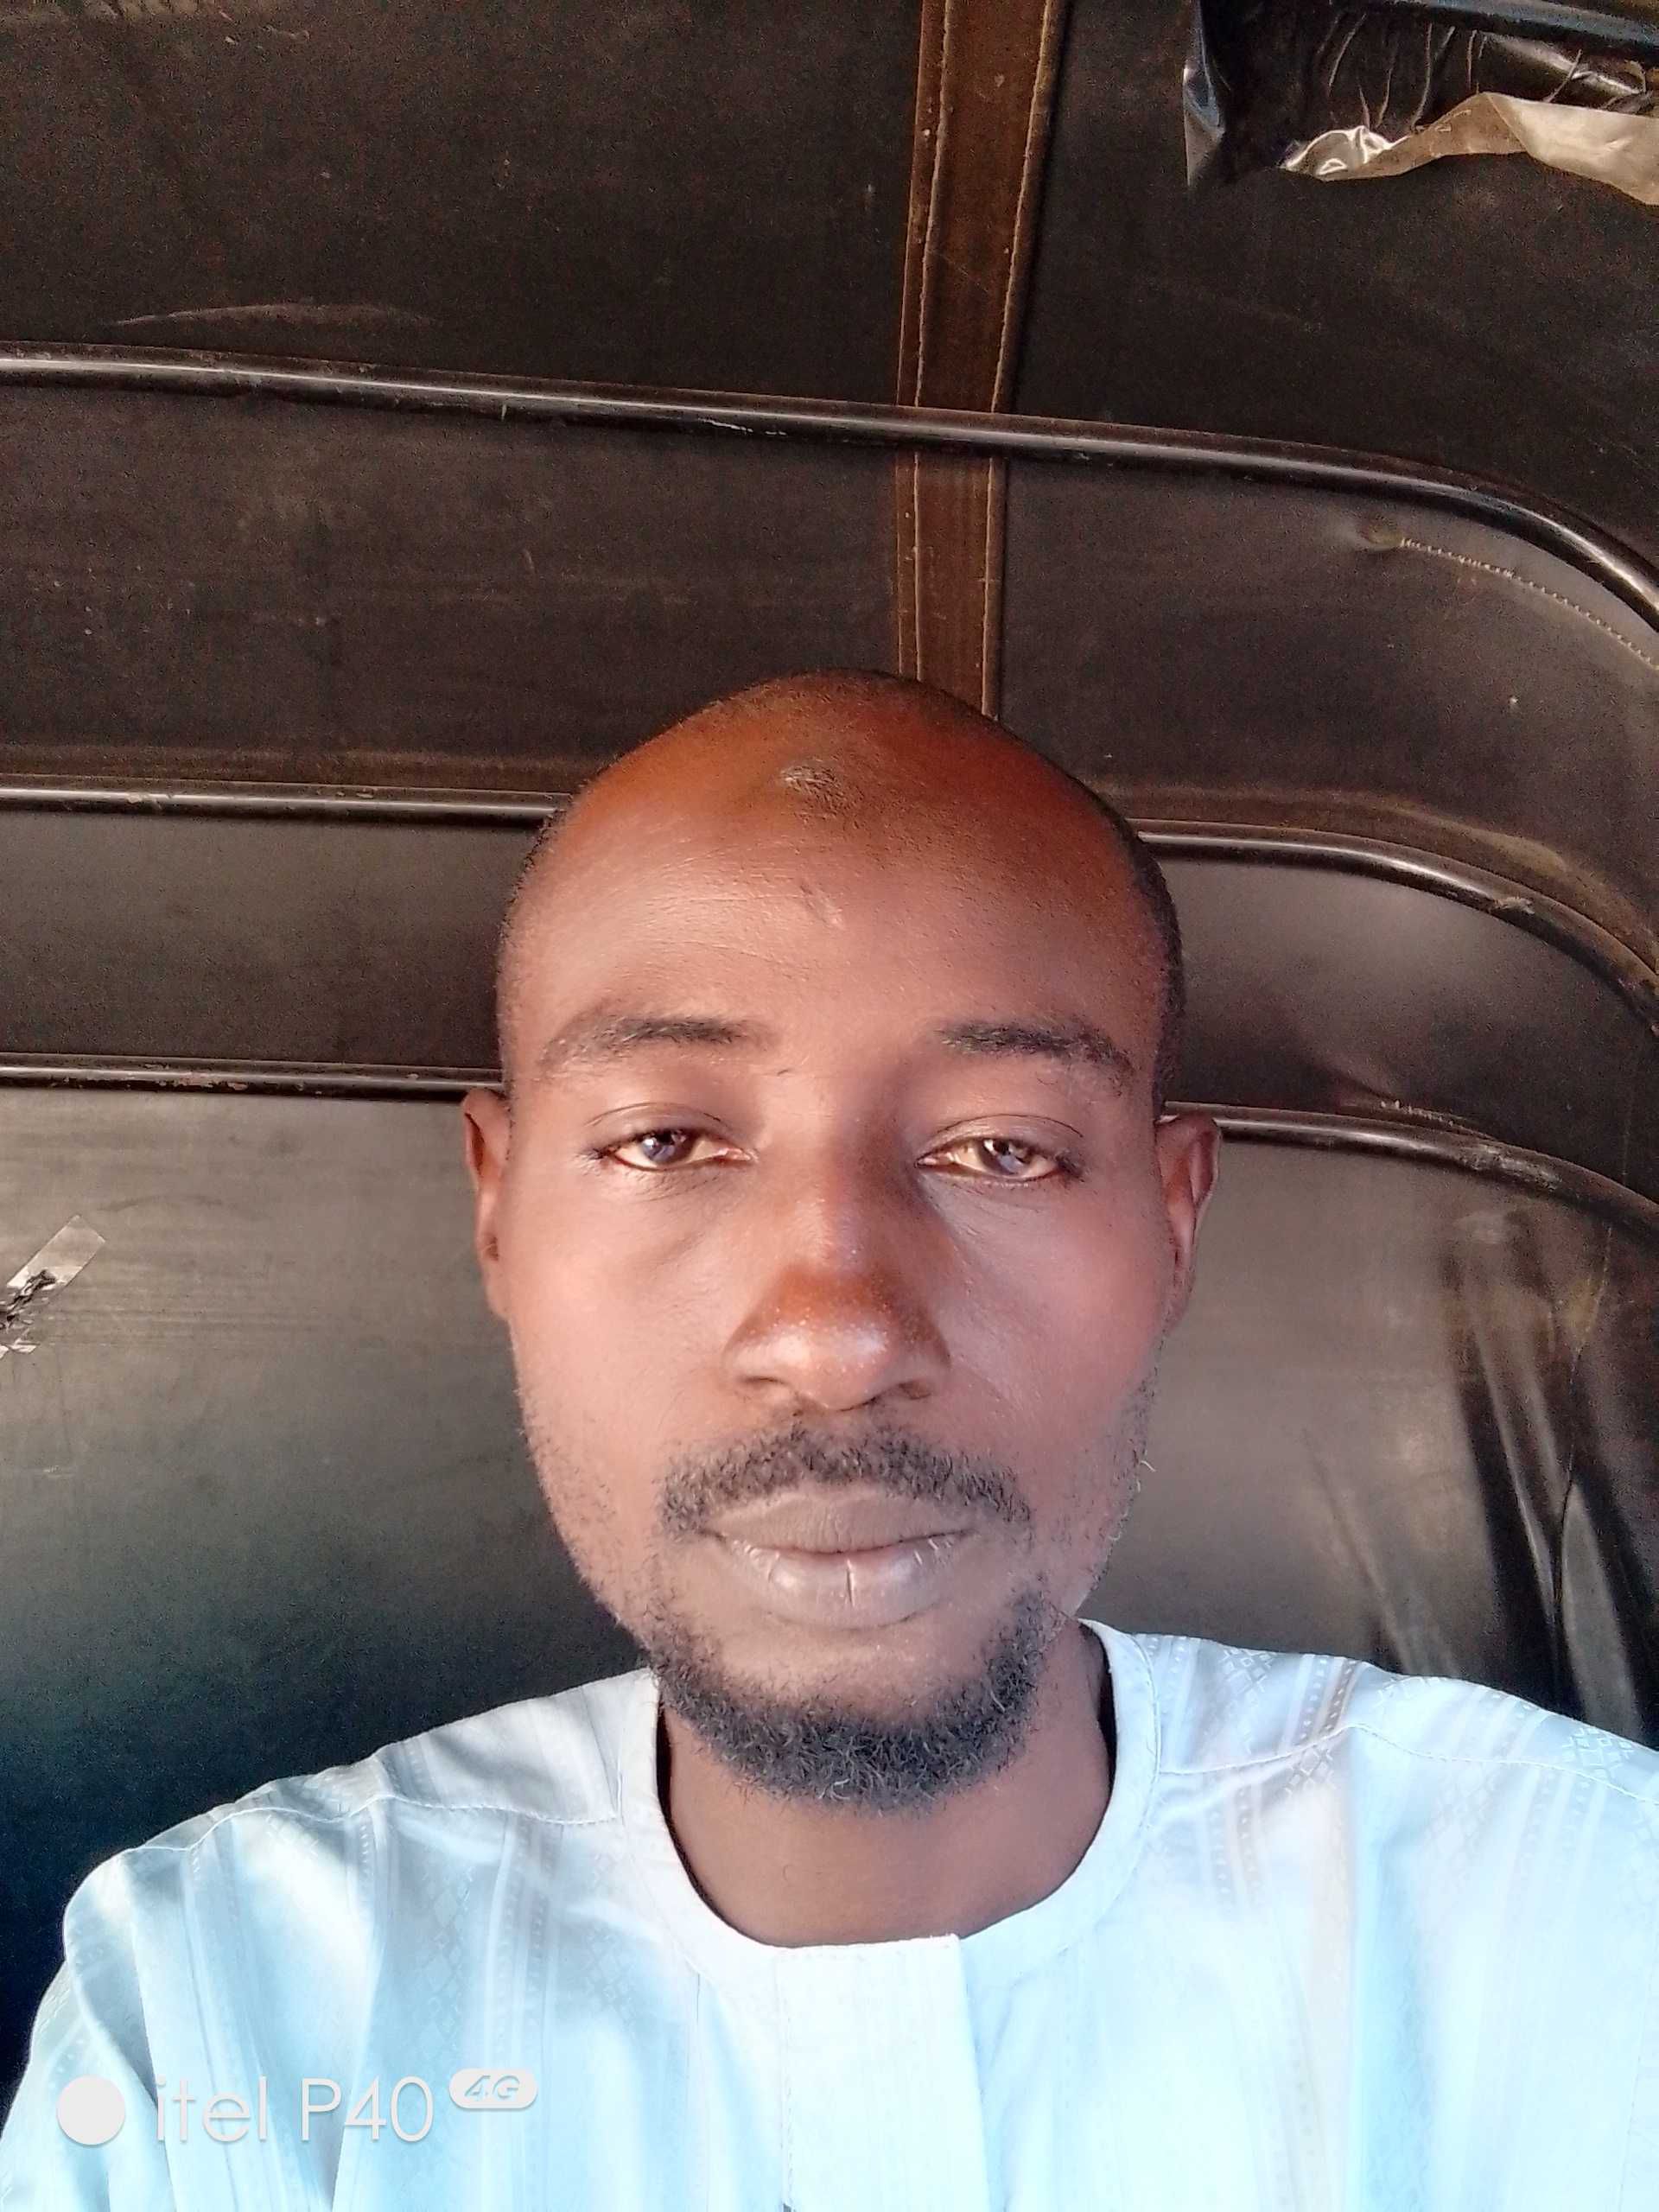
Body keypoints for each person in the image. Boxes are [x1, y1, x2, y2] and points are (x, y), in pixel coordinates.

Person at [3, 670, 1656, 2209]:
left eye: (1001, 1150)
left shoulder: (1584, 1928)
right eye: (666, 1141)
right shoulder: (216, 2020)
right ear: (498, 1213)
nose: (836, 1335)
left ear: (1171, 1221)